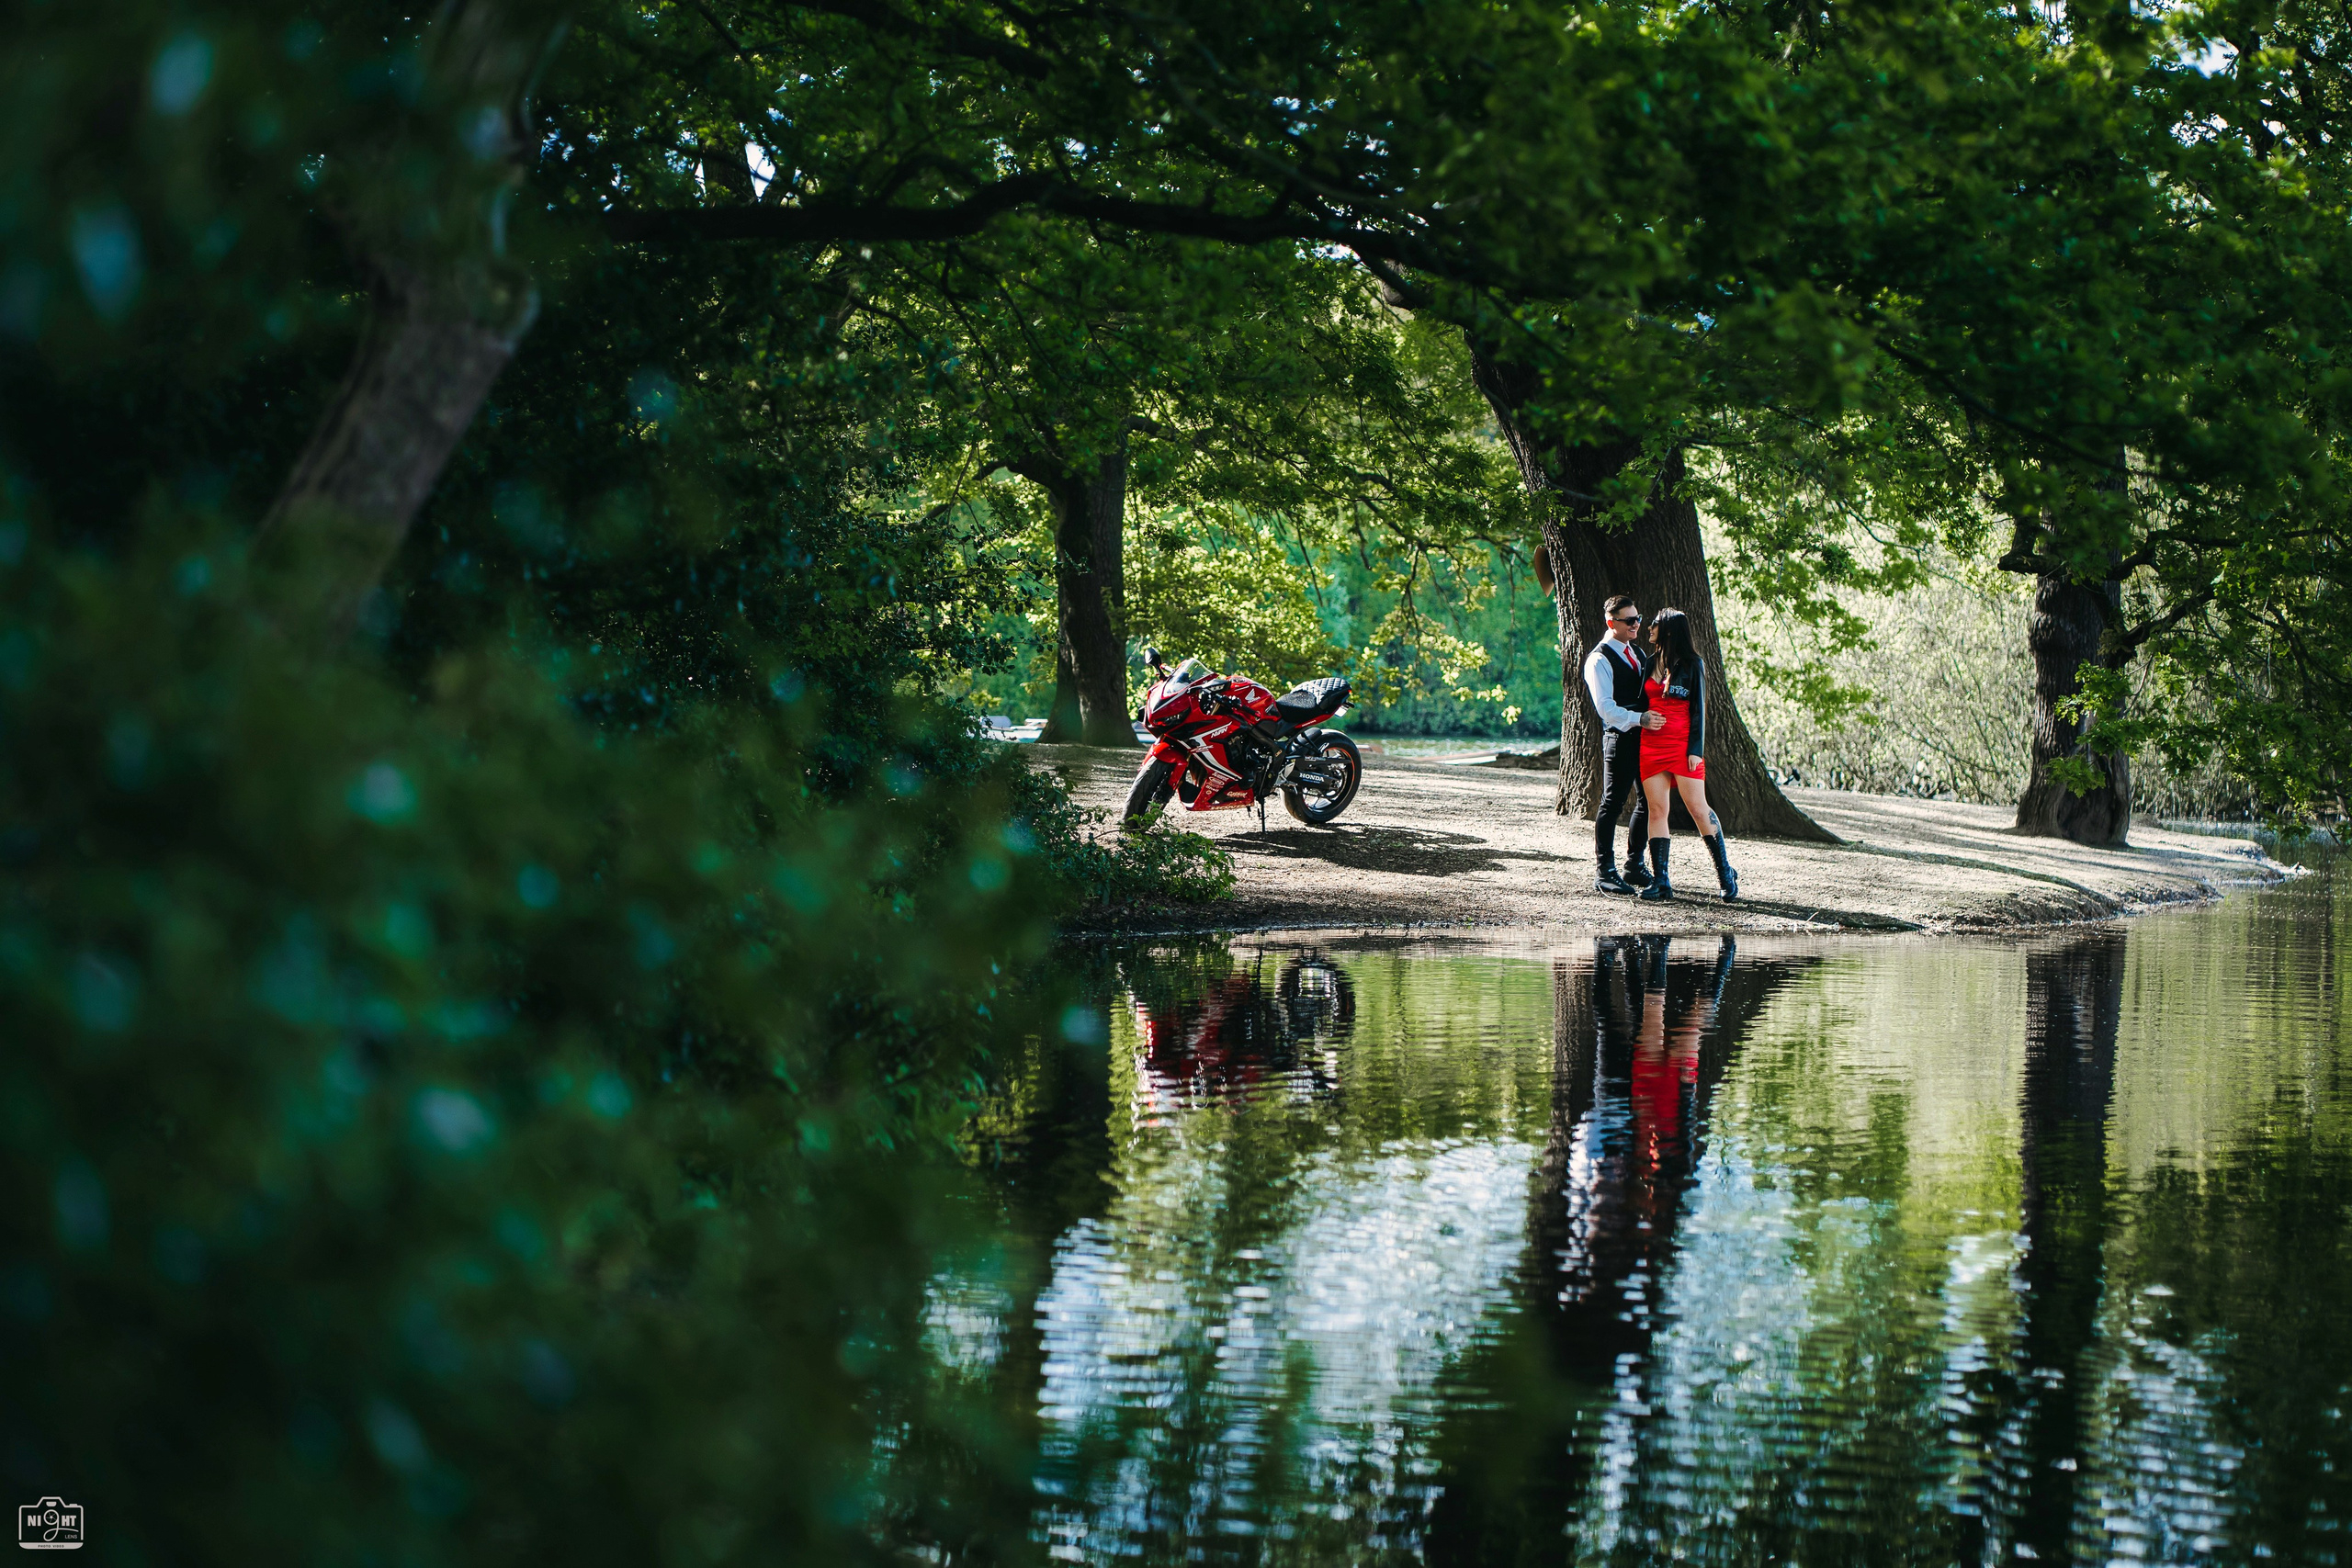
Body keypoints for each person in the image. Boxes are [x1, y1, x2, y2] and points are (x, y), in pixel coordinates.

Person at [1634, 607, 1738, 901]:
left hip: (1683, 748)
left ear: (1668, 630)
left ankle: (1725, 873)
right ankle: (1662, 881)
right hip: (1651, 746)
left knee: (1698, 809)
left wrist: (1696, 751)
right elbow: (1641, 702)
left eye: (1653, 624)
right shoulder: (1649, 661)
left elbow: (1699, 711)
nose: (1648, 628)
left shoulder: (1694, 664)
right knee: (1657, 810)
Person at [1582, 594, 1667, 895]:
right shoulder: (1599, 659)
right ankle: (1604, 871)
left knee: (1647, 802)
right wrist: (1639, 718)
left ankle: (1634, 865)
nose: (1636, 625)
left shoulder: (1638, 653)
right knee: (1612, 804)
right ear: (1611, 623)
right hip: (1619, 740)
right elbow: (1605, 708)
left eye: (1638, 619)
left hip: (1646, 742)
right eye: (1629, 621)